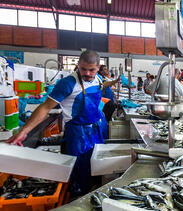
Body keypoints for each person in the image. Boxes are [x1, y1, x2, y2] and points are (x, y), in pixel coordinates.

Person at [6, 50, 115, 198]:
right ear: (78, 65)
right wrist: (24, 131)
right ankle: (77, 199)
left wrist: (113, 82)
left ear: (98, 67)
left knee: (96, 166)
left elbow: (101, 85)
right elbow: (45, 107)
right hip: (78, 134)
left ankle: (93, 192)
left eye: (92, 70)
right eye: (83, 69)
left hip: (96, 129)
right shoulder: (68, 83)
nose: (88, 74)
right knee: (79, 171)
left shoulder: (99, 79)